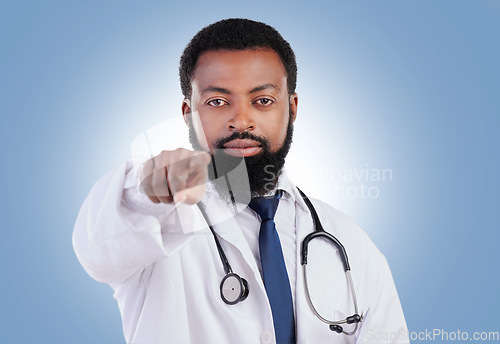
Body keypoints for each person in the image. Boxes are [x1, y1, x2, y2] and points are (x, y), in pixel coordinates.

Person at [73, 18, 409, 344]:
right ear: (188, 114)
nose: (241, 120)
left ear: (291, 108)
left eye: (262, 101)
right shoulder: (157, 226)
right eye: (217, 101)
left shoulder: (350, 241)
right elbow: (101, 244)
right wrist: (151, 187)